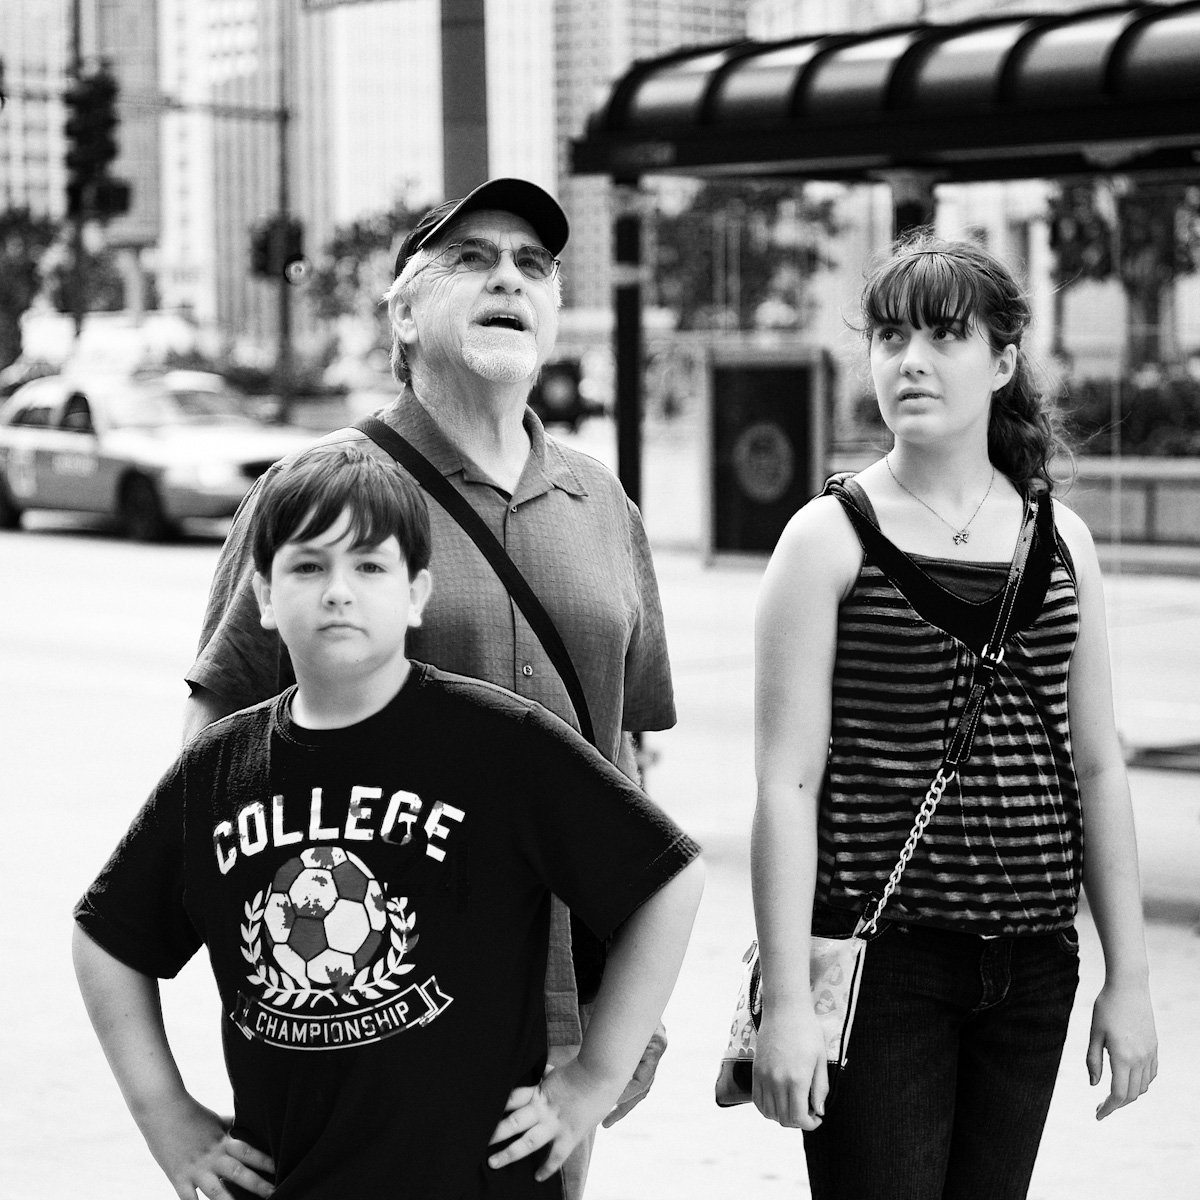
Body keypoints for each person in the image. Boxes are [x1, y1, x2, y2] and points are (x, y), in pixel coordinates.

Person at [182, 179, 676, 1197]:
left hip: (561, 1005)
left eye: (532, 266)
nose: (508, 280)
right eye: (472, 260)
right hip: (369, 1001)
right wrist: (271, 985)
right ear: (404, 315)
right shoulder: (321, 495)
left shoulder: (602, 502)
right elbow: (213, 748)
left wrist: (629, 1002)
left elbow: (624, 761)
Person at [73, 442, 704, 1200]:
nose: (339, 591)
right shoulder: (217, 771)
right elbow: (105, 938)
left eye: (370, 566)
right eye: (308, 566)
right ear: (263, 596)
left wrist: (593, 1077)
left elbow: (668, 880)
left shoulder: (502, 743)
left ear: (416, 594)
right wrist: (165, 1117)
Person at [749, 234, 1158, 1200]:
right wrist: (786, 1003)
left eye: (943, 336)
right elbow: (786, 783)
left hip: (1034, 965)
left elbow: (1098, 766)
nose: (911, 361)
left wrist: (1131, 978)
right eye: (890, 337)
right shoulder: (829, 536)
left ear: (1004, 361)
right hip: (885, 964)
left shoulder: (1062, 541)